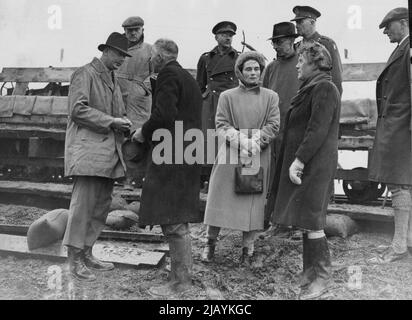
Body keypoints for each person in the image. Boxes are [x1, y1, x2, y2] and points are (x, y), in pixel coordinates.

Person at [132, 39, 203, 297]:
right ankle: (181, 278)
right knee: (179, 218)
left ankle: (180, 284)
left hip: (171, 154)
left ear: (160, 57)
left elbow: (163, 116)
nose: (150, 61)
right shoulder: (187, 77)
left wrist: (142, 132)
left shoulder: (167, 75)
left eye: (152, 57)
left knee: (173, 220)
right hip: (187, 152)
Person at [270, 42, 341, 299]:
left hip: (314, 165)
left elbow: (317, 130)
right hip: (308, 164)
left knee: (312, 219)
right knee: (305, 219)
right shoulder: (311, 87)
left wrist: (299, 160)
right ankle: (309, 273)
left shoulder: (324, 88)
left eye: (301, 61)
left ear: (314, 63)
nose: (297, 65)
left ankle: (322, 277)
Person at [63, 32, 132, 282]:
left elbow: (118, 112)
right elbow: (77, 110)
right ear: (106, 50)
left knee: (100, 207)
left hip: (109, 154)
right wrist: (111, 121)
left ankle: (87, 252)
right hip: (89, 153)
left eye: (124, 57)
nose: (121, 60)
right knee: (83, 207)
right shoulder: (85, 73)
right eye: (119, 55)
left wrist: (124, 123)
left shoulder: (114, 78)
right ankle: (74, 259)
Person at [201, 51, 280, 265]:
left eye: (256, 69)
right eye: (248, 69)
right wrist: (240, 141)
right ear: (240, 72)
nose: (253, 73)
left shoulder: (270, 97)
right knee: (219, 196)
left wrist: (255, 142)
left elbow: (273, 125)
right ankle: (209, 244)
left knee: (251, 202)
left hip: (257, 153)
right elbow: (221, 124)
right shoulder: (227, 97)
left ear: (261, 71)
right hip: (230, 152)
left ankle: (248, 250)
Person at [368, 7, 412, 263]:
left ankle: (398, 247)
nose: (385, 31)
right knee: (403, 184)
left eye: (389, 26)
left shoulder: (408, 49)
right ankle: (404, 241)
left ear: (404, 23)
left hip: (403, 126)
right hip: (398, 125)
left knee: (399, 185)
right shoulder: (402, 49)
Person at [262, 22, 301, 240]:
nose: (277, 47)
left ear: (292, 41)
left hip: (295, 129)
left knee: (292, 175)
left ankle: (291, 222)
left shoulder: (301, 63)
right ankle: (274, 220)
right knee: (273, 176)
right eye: (275, 43)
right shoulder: (271, 68)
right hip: (274, 130)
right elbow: (265, 96)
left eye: (281, 42)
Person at [196, 21, 240, 178]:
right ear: (216, 37)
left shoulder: (238, 58)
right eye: (224, 35)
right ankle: (206, 176)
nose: (228, 38)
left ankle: (225, 175)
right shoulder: (206, 58)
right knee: (208, 139)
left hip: (230, 103)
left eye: (230, 35)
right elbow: (200, 84)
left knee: (228, 139)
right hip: (210, 102)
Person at [117, 16, 153, 189]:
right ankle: (119, 176)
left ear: (142, 30)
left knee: (136, 136)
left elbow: (157, 74)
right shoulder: (117, 49)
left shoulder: (150, 51)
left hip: (139, 101)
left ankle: (134, 179)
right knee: (118, 134)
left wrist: (142, 88)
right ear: (124, 32)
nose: (132, 33)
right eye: (128, 31)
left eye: (136, 30)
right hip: (118, 97)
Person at [291, 5, 343, 96]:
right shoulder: (296, 47)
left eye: (300, 22)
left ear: (312, 22)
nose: (297, 26)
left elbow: (336, 78)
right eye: (296, 23)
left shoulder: (327, 44)